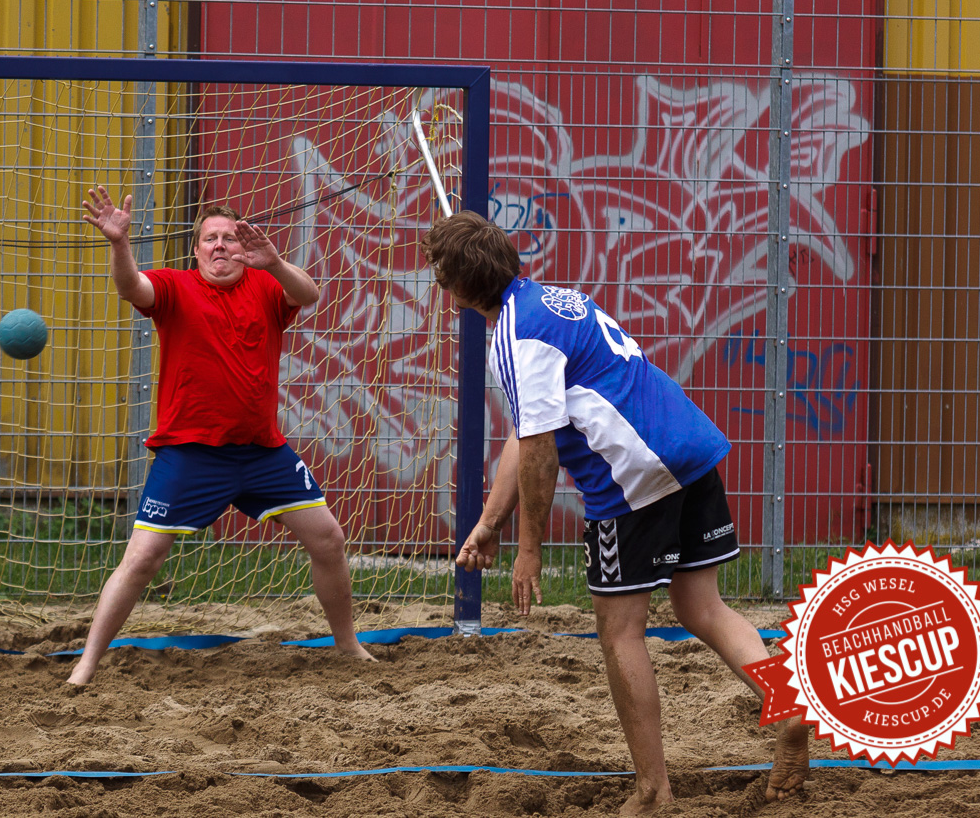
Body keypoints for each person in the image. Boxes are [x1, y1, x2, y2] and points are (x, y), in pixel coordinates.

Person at [420, 210, 809, 814]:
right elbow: (525, 434)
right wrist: (489, 522)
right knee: (702, 605)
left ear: (459, 292)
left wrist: (529, 549)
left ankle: (652, 791)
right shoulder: (553, 299)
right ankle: (786, 707)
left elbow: (541, 451)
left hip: (632, 479)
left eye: (441, 278)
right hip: (691, 447)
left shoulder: (515, 338)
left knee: (620, 633)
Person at [66, 186, 376, 686]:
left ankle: (348, 645)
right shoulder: (174, 287)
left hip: (261, 453)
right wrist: (119, 244)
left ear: (244, 248)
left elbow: (310, 294)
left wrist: (273, 262)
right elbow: (132, 289)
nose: (220, 247)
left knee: (329, 540)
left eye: (230, 239)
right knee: (142, 558)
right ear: (196, 250)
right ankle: (86, 665)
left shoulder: (267, 286)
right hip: (190, 455)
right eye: (210, 239)